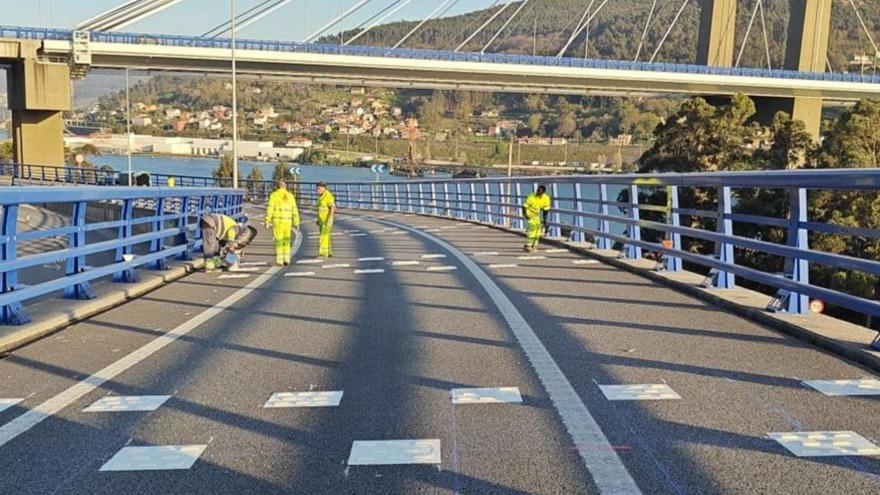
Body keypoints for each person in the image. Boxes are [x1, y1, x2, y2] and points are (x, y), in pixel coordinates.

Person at [265, 180, 300, 266]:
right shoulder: (290, 196)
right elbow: (294, 210)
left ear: (277, 186)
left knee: (279, 241)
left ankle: (279, 260)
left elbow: (270, 209)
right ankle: (287, 259)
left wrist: (267, 221)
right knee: (287, 241)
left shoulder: (274, 195)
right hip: (288, 222)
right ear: (285, 186)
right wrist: (296, 222)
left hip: (278, 221)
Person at [522, 184, 551, 252]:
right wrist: (525, 215)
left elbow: (545, 211)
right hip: (529, 214)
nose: (538, 193)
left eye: (540, 192)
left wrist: (545, 222)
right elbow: (524, 206)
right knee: (533, 229)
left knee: (538, 230)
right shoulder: (531, 196)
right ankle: (528, 245)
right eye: (537, 191)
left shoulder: (546, 198)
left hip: (536, 215)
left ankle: (534, 246)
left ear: (543, 193)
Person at [316, 182, 335, 257]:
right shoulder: (321, 196)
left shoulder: (328, 195)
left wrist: (329, 218)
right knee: (326, 236)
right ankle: (329, 252)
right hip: (322, 220)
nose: (318, 190)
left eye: (319, 188)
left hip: (326, 220)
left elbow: (332, 208)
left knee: (323, 236)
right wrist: (318, 220)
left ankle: (323, 253)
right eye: (317, 188)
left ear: (324, 188)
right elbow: (320, 209)